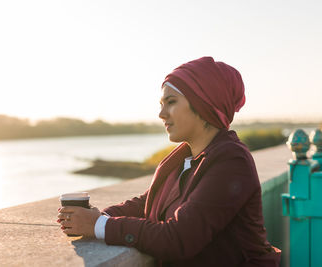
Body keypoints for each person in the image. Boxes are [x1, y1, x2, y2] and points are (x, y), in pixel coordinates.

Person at [57, 57, 281, 266]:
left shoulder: (232, 161)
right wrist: (98, 216)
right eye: (162, 104)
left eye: (171, 102)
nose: (161, 114)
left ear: (204, 104)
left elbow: (180, 238)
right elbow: (148, 203)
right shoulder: (185, 156)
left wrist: (98, 225)